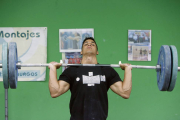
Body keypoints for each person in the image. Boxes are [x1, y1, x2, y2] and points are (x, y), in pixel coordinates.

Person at [48, 37, 132, 120]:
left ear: (97, 52)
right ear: (81, 51)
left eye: (92, 44)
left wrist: (128, 70)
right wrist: (52, 69)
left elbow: (125, 93)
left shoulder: (107, 70)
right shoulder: (72, 70)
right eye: (86, 44)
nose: (89, 44)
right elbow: (55, 92)